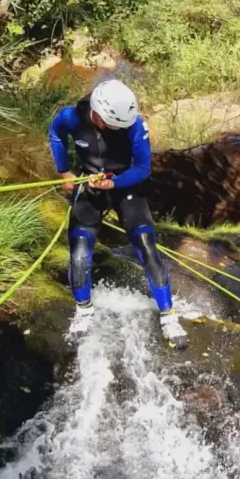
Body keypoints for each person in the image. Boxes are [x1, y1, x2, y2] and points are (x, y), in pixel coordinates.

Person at [49, 77, 187, 348]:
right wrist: (64, 170)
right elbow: (55, 133)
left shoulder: (135, 125)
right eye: (114, 125)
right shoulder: (72, 117)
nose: (119, 129)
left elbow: (143, 168)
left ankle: (169, 316)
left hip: (127, 184)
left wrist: (113, 183)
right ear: (98, 114)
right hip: (88, 183)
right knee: (79, 249)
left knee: (146, 244)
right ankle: (83, 311)